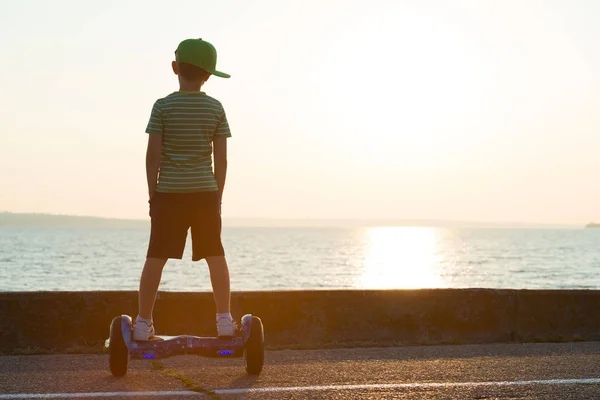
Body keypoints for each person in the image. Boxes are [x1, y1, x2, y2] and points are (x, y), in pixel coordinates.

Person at [133, 38, 235, 340]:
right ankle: (224, 319)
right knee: (215, 254)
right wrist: (217, 197)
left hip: (168, 194)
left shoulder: (162, 107)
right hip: (204, 193)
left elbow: (153, 155)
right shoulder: (215, 108)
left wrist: (154, 194)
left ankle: (142, 323)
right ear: (208, 75)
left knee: (156, 257)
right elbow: (222, 159)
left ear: (175, 68)